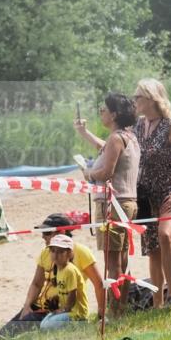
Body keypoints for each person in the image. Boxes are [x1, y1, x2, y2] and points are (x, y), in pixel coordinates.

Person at [74, 93, 140, 316]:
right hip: (127, 201)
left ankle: (114, 312)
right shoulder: (127, 137)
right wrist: (84, 133)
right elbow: (105, 149)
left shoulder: (116, 139)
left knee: (112, 261)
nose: (101, 112)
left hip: (113, 203)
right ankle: (121, 307)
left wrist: (89, 173)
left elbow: (107, 171)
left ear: (114, 114)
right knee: (121, 257)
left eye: (104, 109)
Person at [0, 214, 104, 338]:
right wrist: (27, 306)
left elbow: (99, 283)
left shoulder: (81, 252)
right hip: (41, 306)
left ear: (62, 232)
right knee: (3, 334)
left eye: (47, 232)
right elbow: (36, 284)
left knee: (20, 334)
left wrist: (101, 315)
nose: (43, 236)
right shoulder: (46, 252)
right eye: (43, 232)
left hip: (60, 310)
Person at [133, 79, 171, 308]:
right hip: (146, 195)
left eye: (138, 97)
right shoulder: (138, 126)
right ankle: (157, 302)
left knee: (166, 236)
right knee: (153, 248)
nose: (134, 101)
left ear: (151, 99)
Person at [32, 234, 89, 330]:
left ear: (69, 253)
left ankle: (79, 324)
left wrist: (63, 310)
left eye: (60, 252)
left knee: (45, 326)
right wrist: (55, 300)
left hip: (76, 313)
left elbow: (72, 295)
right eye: (53, 251)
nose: (55, 255)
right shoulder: (58, 269)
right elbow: (62, 288)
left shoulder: (70, 270)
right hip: (67, 311)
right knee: (44, 323)